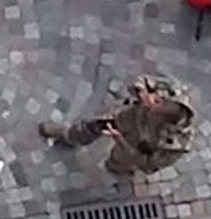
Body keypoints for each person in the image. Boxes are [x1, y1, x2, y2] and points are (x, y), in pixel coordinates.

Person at [39, 74, 196, 176]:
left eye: (153, 113)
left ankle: (117, 169)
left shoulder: (175, 145)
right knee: (92, 126)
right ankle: (69, 136)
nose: (151, 106)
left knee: (118, 163)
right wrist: (143, 93)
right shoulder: (173, 91)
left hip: (133, 146)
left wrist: (119, 140)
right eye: (157, 102)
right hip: (124, 116)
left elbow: (148, 165)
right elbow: (141, 80)